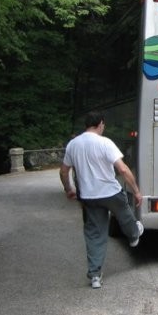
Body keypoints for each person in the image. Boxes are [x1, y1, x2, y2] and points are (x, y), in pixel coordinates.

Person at [59, 111, 144, 289]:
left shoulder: (73, 145)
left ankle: (95, 275)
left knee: (94, 234)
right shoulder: (105, 142)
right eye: (103, 125)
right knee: (125, 214)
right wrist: (136, 191)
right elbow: (123, 169)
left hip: (88, 196)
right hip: (110, 192)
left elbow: (64, 171)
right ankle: (134, 235)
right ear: (100, 124)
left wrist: (69, 189)